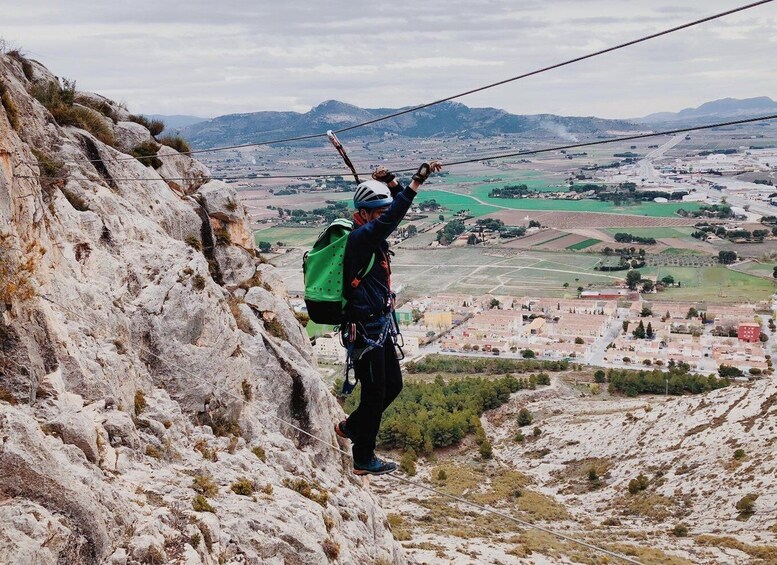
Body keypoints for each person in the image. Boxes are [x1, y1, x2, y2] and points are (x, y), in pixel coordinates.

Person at [334, 160, 442, 475]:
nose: (383, 217)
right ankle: (362, 457)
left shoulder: (367, 230)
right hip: (364, 329)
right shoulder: (360, 238)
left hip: (377, 326)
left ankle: (350, 427)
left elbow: (390, 209)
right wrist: (415, 183)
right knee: (375, 393)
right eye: (377, 213)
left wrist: (393, 183)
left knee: (392, 385)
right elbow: (393, 216)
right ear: (364, 214)